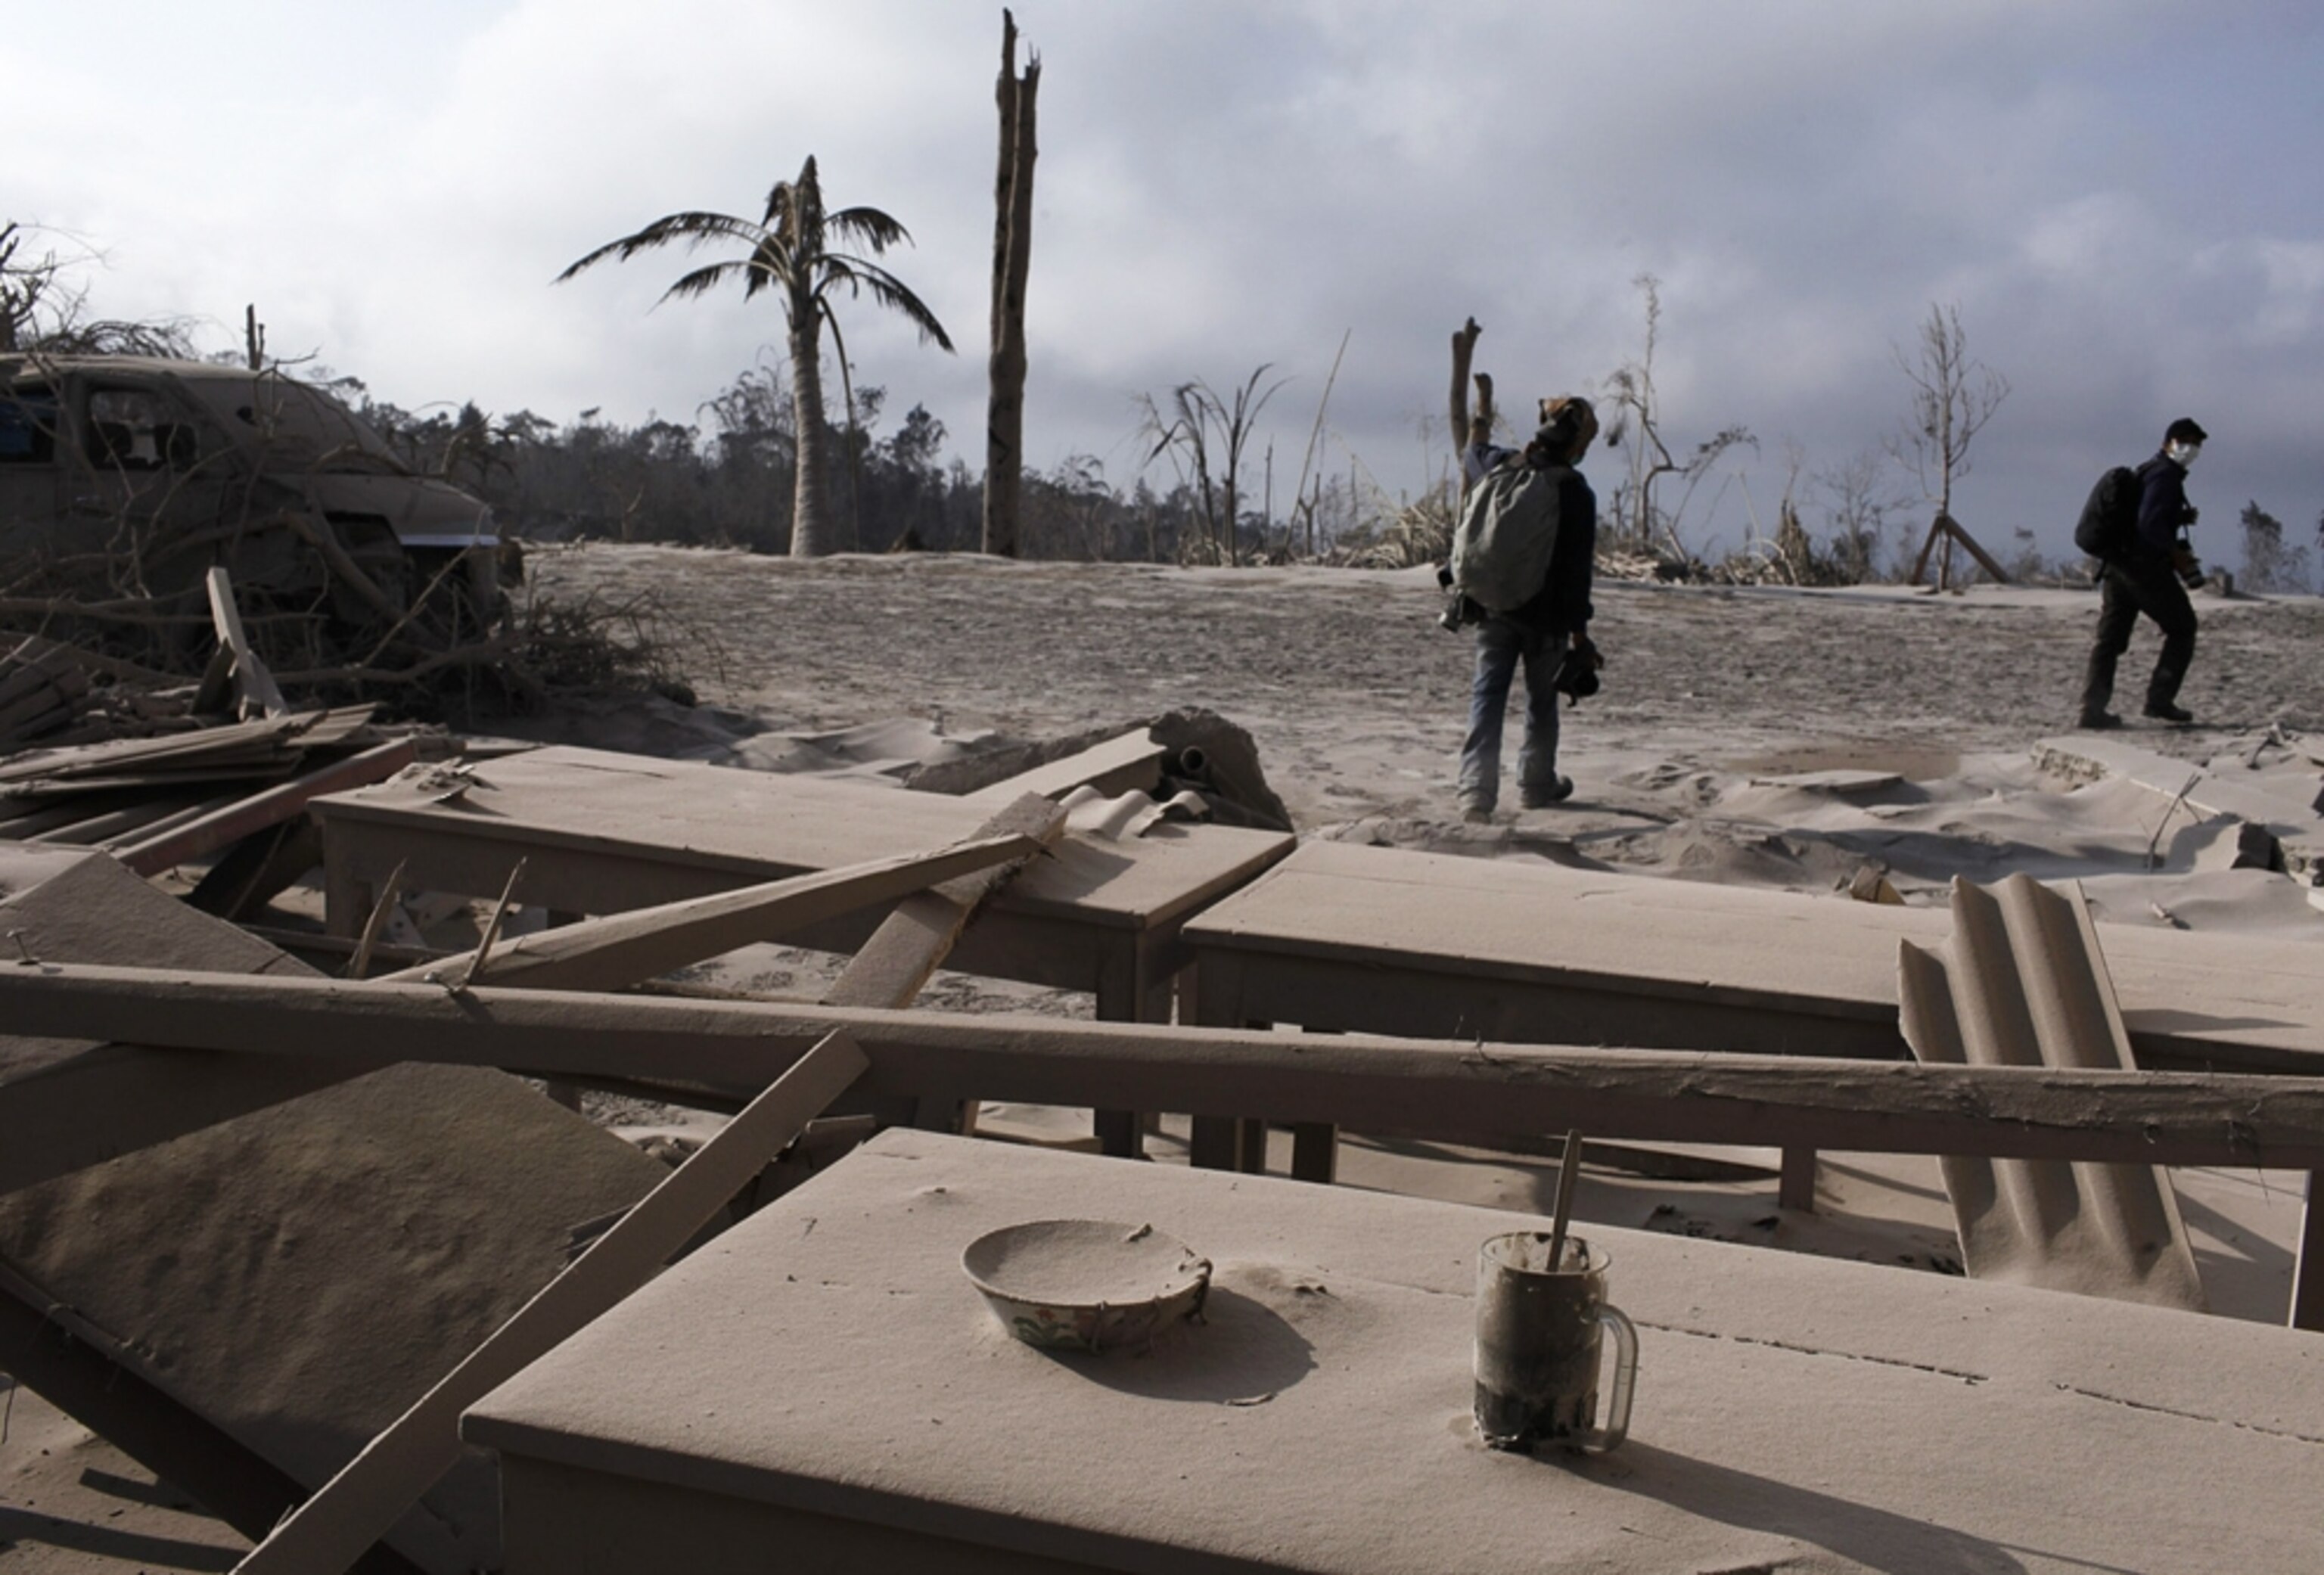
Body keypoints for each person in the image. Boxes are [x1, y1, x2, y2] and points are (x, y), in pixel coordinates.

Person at [1456, 396, 1599, 822]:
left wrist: (1480, 426)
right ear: (1577, 443)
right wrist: (1580, 636)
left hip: (1492, 608)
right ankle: (1535, 786)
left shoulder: (1499, 465)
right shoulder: (1574, 491)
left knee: (1486, 697)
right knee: (1541, 703)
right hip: (1547, 618)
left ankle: (1474, 795)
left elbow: (1471, 452)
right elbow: (1577, 574)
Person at [2079, 417, 2207, 728]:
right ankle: (2159, 700)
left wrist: (2177, 517)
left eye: (2196, 445)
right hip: (2143, 569)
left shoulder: (2148, 470)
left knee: (2109, 640)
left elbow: (2142, 516)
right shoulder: (2165, 475)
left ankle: (2092, 709)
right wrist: (2175, 553)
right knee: (2183, 628)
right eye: (2186, 442)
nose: (2191, 449)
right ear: (2170, 442)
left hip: (2117, 566)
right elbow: (2149, 524)